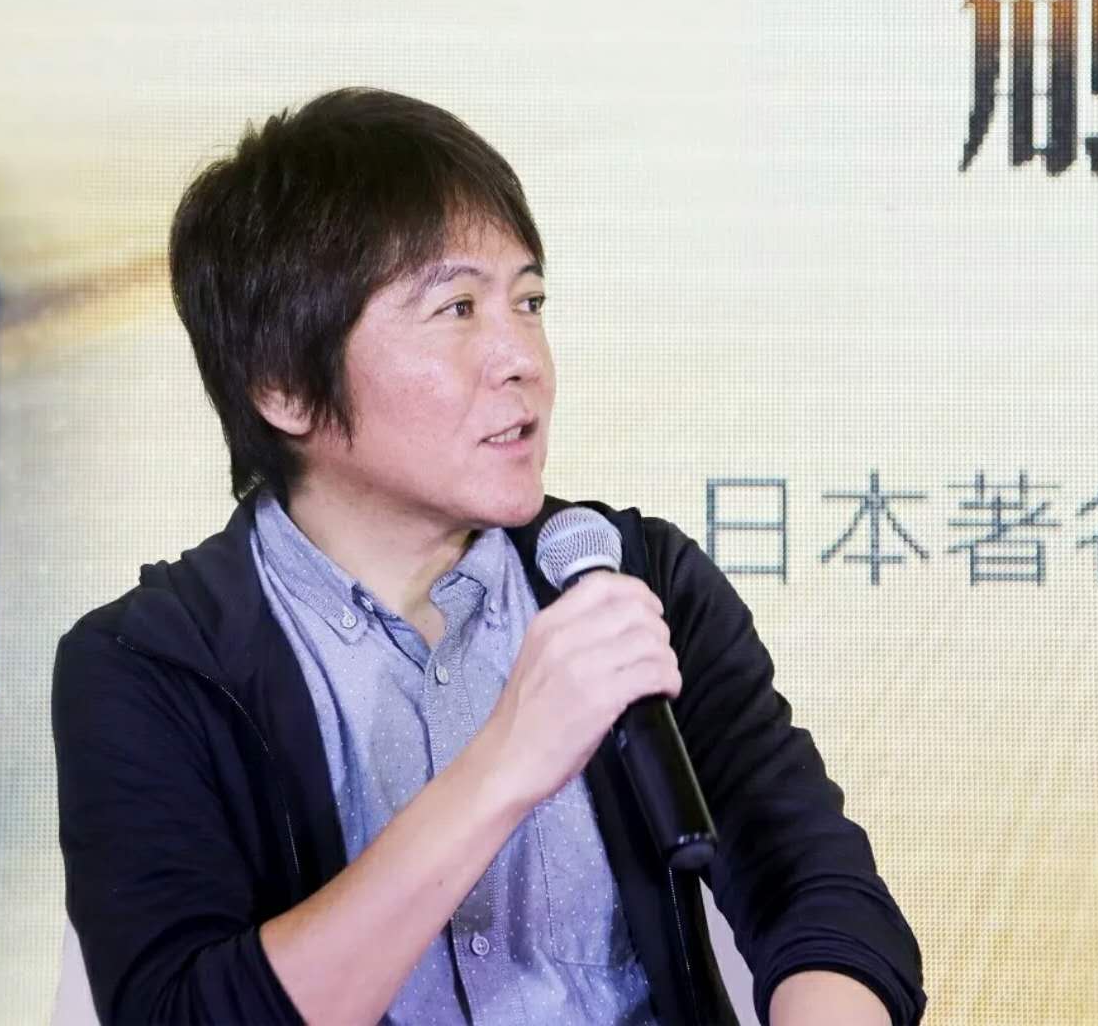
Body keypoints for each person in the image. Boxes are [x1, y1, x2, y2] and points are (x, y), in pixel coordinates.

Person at [52, 87, 925, 1025]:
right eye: (457, 308)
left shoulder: (633, 579)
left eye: (529, 302)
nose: (523, 360)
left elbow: (819, 895)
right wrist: (506, 763)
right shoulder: (149, 666)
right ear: (283, 386)